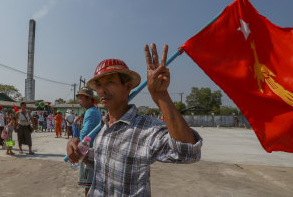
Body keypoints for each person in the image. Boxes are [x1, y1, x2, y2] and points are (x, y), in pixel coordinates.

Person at [67, 44, 203, 196]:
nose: (102, 90)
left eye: (110, 82)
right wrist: (80, 151)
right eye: (99, 85)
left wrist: (161, 96)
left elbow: (187, 153)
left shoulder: (146, 128)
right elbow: (103, 162)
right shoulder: (103, 126)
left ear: (128, 86)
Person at [74, 87, 102, 195]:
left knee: (88, 185)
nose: (79, 101)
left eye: (80, 98)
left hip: (88, 151)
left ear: (88, 98)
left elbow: (86, 132)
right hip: (92, 149)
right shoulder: (94, 110)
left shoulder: (90, 112)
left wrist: (79, 148)